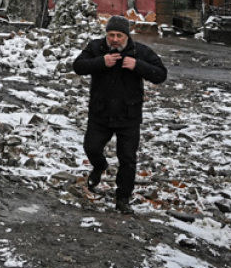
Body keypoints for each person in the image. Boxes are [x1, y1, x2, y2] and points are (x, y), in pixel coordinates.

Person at [72, 15, 168, 214]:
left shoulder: (140, 51)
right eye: (111, 35)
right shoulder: (96, 47)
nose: (114, 39)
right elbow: (78, 66)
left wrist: (137, 66)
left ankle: (123, 198)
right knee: (91, 147)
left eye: (119, 35)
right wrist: (101, 62)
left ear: (127, 36)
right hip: (100, 113)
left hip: (128, 116)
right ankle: (99, 166)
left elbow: (161, 74)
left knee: (127, 159)